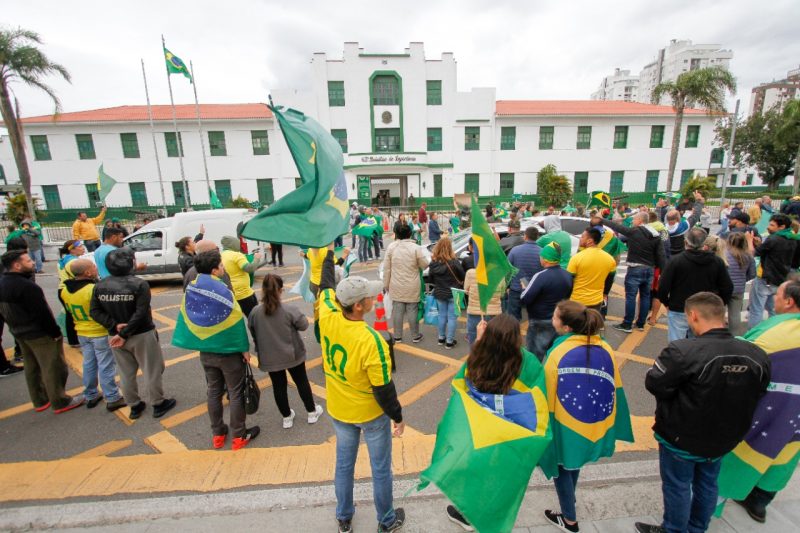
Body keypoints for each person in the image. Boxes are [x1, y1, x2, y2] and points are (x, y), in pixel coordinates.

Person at [635, 292, 770, 533]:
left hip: (681, 436)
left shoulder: (682, 351)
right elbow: (759, 390)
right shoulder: (756, 354)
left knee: (677, 485)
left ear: (693, 315)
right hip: (725, 438)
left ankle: (674, 530)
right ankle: (697, 528)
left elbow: (655, 384)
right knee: (708, 483)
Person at [317, 244, 406, 533]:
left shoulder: (329, 314)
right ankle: (387, 520)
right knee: (380, 469)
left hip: (339, 410)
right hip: (370, 414)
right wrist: (398, 416)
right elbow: (384, 389)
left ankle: (343, 517)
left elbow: (325, 284)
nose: (373, 297)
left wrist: (328, 254)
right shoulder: (373, 341)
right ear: (358, 306)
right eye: (369, 296)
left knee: (344, 466)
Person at [442, 314, 547, 531]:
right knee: (500, 471)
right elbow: (539, 396)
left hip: (481, 428)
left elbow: (462, 385)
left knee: (477, 467)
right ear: (517, 337)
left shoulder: (479, 357)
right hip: (512, 431)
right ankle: (495, 510)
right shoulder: (528, 361)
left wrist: (479, 342)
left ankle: (467, 515)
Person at [542, 300, 633, 532]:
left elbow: (544, 391)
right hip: (591, 421)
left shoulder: (558, 352)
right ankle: (569, 503)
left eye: (554, 316)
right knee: (574, 464)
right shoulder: (604, 347)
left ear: (566, 327)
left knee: (562, 467)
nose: (552, 319)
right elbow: (615, 388)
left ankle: (570, 520)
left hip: (564, 425)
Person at [725, 276, 800, 523]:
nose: (774, 299)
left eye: (777, 295)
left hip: (769, 409)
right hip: (795, 418)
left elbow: (739, 358)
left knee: (745, 453)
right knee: (785, 457)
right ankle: (759, 504)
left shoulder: (776, 331)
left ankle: (723, 493)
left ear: (788, 301)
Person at [179, 251, 259, 450]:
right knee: (235, 392)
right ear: (215, 270)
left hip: (205, 350)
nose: (223, 269)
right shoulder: (222, 290)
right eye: (221, 266)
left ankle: (218, 434)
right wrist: (244, 349)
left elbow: (188, 317)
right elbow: (235, 323)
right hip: (228, 351)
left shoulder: (192, 288)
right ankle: (239, 435)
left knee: (213, 392)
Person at [90, 248, 176, 420]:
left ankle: (134, 405)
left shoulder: (100, 285)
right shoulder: (139, 284)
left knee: (125, 372)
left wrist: (115, 328)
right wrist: (124, 331)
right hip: (141, 334)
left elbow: (94, 311)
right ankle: (158, 403)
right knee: (152, 369)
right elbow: (141, 312)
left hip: (115, 336)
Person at [0, 250, 85, 412]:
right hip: (39, 333)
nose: (32, 262)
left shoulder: (3, 282)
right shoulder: (27, 287)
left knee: (32, 366)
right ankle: (60, 401)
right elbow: (42, 314)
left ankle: (40, 400)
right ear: (17, 265)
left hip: (19, 332)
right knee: (53, 366)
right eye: (27, 260)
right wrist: (54, 332)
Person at [248, 273, 323, 428]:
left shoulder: (255, 312)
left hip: (269, 357)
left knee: (278, 386)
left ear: (263, 290)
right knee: (301, 381)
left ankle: (287, 417)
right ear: (281, 290)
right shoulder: (289, 309)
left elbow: (253, 330)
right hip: (292, 353)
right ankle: (311, 412)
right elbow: (304, 325)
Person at [60, 259, 125, 411]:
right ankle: (112, 396)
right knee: (106, 365)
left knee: (89, 363)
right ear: (87, 272)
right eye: (93, 267)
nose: (96, 268)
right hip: (99, 331)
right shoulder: (93, 289)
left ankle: (90, 394)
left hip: (81, 331)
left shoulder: (65, 290)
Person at [593, 212, 666, 333]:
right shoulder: (655, 234)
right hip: (650, 269)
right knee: (645, 296)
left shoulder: (635, 231)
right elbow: (661, 255)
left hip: (635, 268)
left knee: (631, 297)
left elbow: (618, 227)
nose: (632, 222)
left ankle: (627, 324)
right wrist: (661, 270)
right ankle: (641, 323)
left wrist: (602, 220)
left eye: (634, 219)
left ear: (640, 220)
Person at [658, 228, 733, 342]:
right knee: (700, 343)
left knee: (677, 343)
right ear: (704, 243)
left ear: (686, 242)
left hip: (679, 307)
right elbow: (727, 287)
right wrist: (719, 303)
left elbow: (663, 286)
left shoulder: (676, 261)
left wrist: (667, 303)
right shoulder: (717, 262)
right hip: (705, 308)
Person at [520, 242, 573, 360]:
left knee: (534, 355)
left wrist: (524, 289)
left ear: (545, 258)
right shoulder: (568, 275)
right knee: (553, 353)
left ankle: (535, 376)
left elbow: (525, 299)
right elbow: (567, 298)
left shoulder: (540, 276)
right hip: (558, 320)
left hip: (539, 321)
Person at [747, 214, 800, 328]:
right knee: (773, 309)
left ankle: (752, 337)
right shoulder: (792, 239)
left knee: (756, 310)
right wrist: (760, 245)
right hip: (780, 278)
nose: (768, 227)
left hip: (765, 279)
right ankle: (774, 331)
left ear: (781, 227)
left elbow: (754, 253)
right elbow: (772, 252)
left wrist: (749, 241)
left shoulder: (773, 239)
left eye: (772, 225)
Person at [383, 224, 429, 344]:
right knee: (412, 309)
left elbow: (387, 269)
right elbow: (424, 265)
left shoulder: (391, 247)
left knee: (397, 310)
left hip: (395, 284)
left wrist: (386, 284)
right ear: (410, 234)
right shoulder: (415, 248)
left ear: (397, 234)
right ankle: (415, 335)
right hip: (412, 284)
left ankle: (397, 336)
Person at [567, 227, 616, 312]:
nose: (580, 239)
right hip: (596, 301)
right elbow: (610, 280)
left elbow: (568, 280)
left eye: (582, 237)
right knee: (591, 324)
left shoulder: (576, 258)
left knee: (576, 324)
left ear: (590, 241)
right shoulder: (610, 259)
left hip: (577, 301)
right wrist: (604, 294)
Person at [428, 238, 465, 349]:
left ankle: (441, 338)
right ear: (450, 248)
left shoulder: (433, 263)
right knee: (452, 318)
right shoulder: (454, 262)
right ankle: (449, 341)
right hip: (455, 293)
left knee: (441, 316)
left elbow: (430, 279)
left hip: (440, 292)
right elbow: (462, 276)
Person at [462, 246, 503, 345]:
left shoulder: (471, 273)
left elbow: (466, 291)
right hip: (494, 313)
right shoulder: (499, 274)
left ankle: (475, 360)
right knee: (493, 343)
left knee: (474, 342)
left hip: (475, 312)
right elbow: (501, 293)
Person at [221, 235, 267, 318]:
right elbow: (249, 268)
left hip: (230, 293)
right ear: (234, 244)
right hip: (244, 294)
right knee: (254, 318)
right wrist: (256, 259)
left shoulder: (221, 255)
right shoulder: (237, 255)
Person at [506, 226, 542, 321]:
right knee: (534, 318)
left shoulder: (515, 250)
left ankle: (513, 334)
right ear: (537, 237)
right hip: (534, 289)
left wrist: (508, 286)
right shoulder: (542, 252)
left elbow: (508, 270)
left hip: (516, 288)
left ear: (525, 236)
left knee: (513, 318)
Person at [724, 233, 756, 335]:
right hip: (739, 289)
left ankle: (720, 334)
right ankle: (734, 335)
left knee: (719, 312)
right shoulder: (748, 256)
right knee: (735, 314)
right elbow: (752, 274)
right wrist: (743, 279)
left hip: (724, 288)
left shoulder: (724, 254)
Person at [58, 240, 87, 347]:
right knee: (72, 316)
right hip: (68, 289)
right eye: (80, 246)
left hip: (63, 289)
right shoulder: (72, 262)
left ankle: (73, 340)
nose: (83, 248)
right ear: (72, 249)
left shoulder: (64, 259)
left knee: (70, 315)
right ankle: (74, 340)